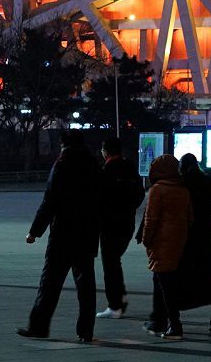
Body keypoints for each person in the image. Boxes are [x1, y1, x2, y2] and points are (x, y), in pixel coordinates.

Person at [19, 132, 102, 343]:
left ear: (64, 145)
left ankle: (39, 326)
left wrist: (35, 232)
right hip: (87, 233)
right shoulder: (93, 165)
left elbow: (50, 201)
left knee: (50, 283)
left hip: (63, 234)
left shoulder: (62, 164)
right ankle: (86, 331)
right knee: (86, 285)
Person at [173, 154, 211, 334]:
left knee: (183, 274)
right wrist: (209, 215)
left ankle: (174, 318)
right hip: (206, 234)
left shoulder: (182, 183)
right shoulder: (204, 180)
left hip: (188, 234)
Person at [139, 155, 193, 340]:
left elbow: (150, 219)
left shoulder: (158, 190)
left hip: (162, 243)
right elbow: (190, 218)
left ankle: (174, 326)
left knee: (166, 286)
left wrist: (146, 239)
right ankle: (161, 320)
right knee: (165, 282)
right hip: (179, 242)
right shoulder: (183, 190)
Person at [96, 136, 144, 319]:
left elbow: (100, 199)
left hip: (110, 223)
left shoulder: (107, 171)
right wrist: (129, 208)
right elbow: (139, 195)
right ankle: (119, 297)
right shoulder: (130, 169)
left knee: (110, 263)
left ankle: (115, 304)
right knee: (114, 260)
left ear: (106, 151)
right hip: (127, 222)